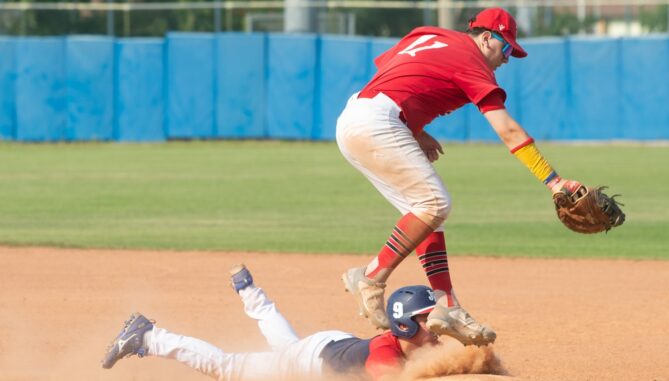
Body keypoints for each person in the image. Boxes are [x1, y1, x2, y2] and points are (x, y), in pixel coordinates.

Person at [337, 7, 580, 346]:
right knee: (435, 203)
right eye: (506, 48)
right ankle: (371, 277)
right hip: (378, 123)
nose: (507, 59)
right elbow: (507, 130)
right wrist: (553, 181)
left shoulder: (429, 34)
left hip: (355, 116)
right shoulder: (474, 63)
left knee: (425, 217)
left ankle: (446, 305)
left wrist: (412, 128)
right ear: (486, 38)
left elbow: (391, 72)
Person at [101, 264, 441, 381]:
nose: (436, 326)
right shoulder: (385, 357)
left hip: (328, 347)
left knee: (286, 348)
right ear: (405, 326)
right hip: (310, 361)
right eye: (427, 319)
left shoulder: (401, 345)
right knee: (227, 369)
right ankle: (148, 337)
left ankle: (249, 291)